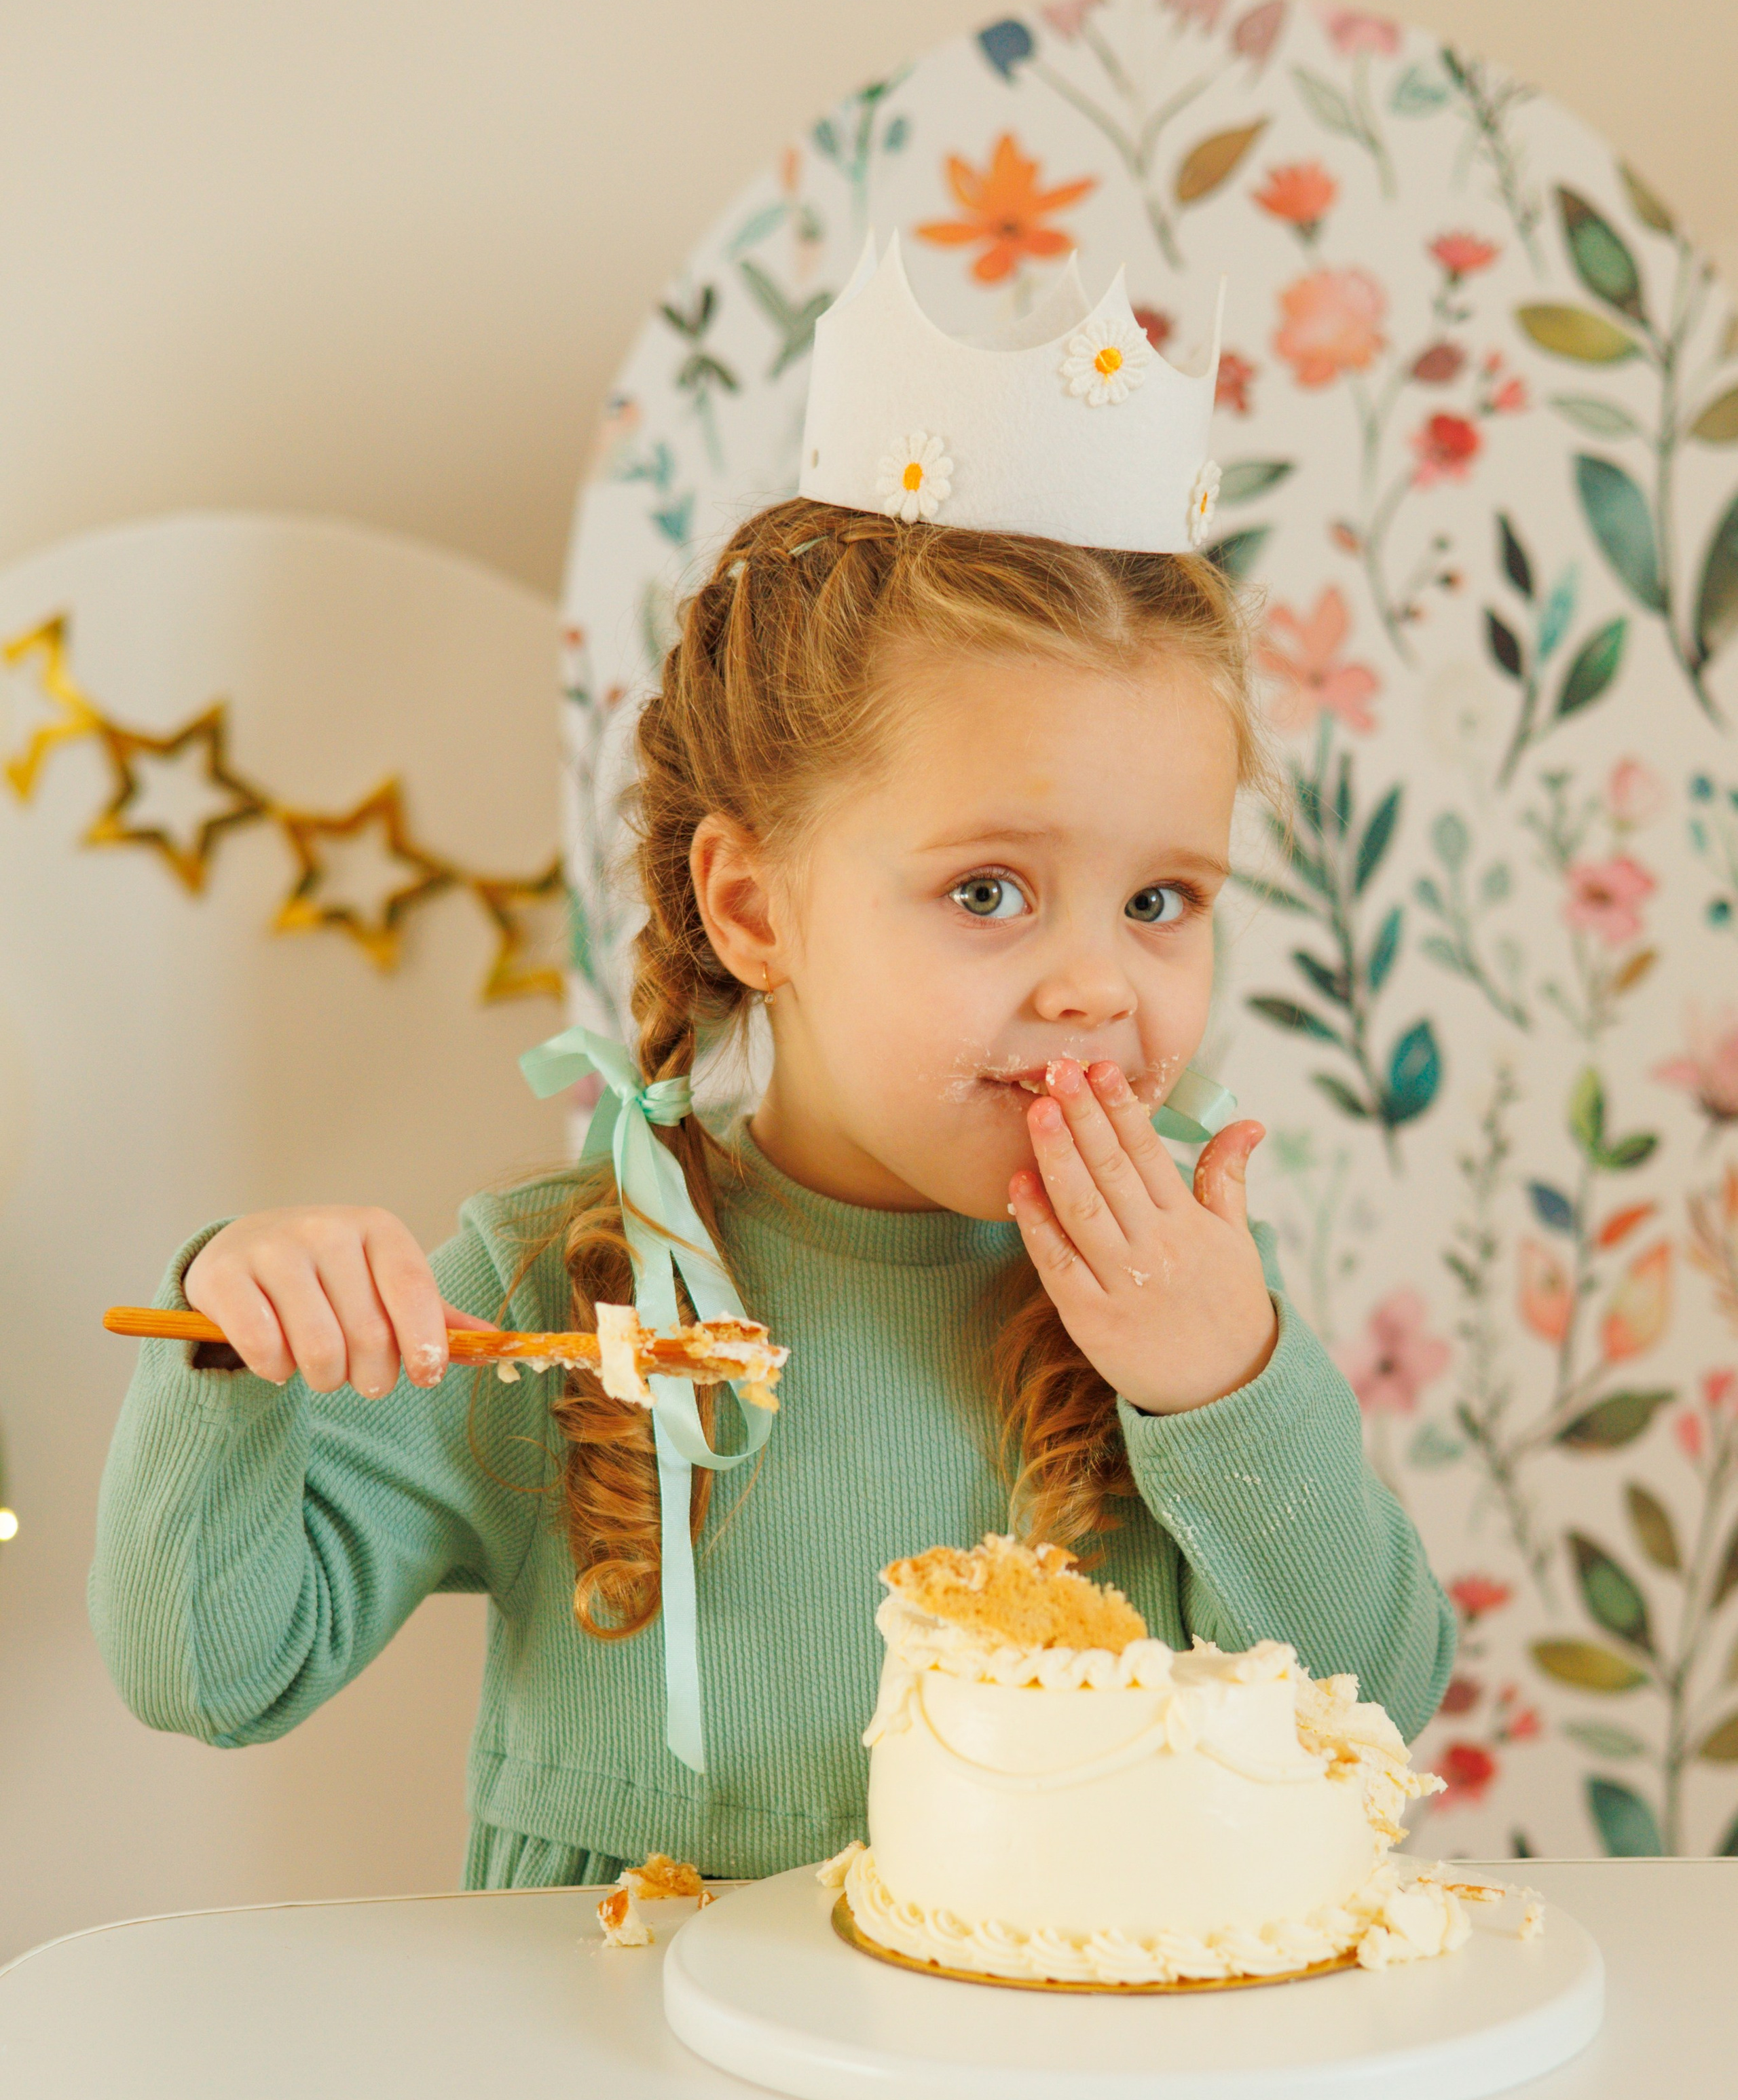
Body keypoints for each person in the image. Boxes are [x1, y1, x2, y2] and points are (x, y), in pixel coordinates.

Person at [90, 250, 1455, 1889]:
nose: (1097, 982)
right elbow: (210, 1674)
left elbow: (1366, 1701)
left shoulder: (1173, 1305)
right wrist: (240, 1341)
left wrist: (1218, 1382)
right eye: (987, 892)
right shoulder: (562, 1286)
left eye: (1159, 900)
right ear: (752, 905)